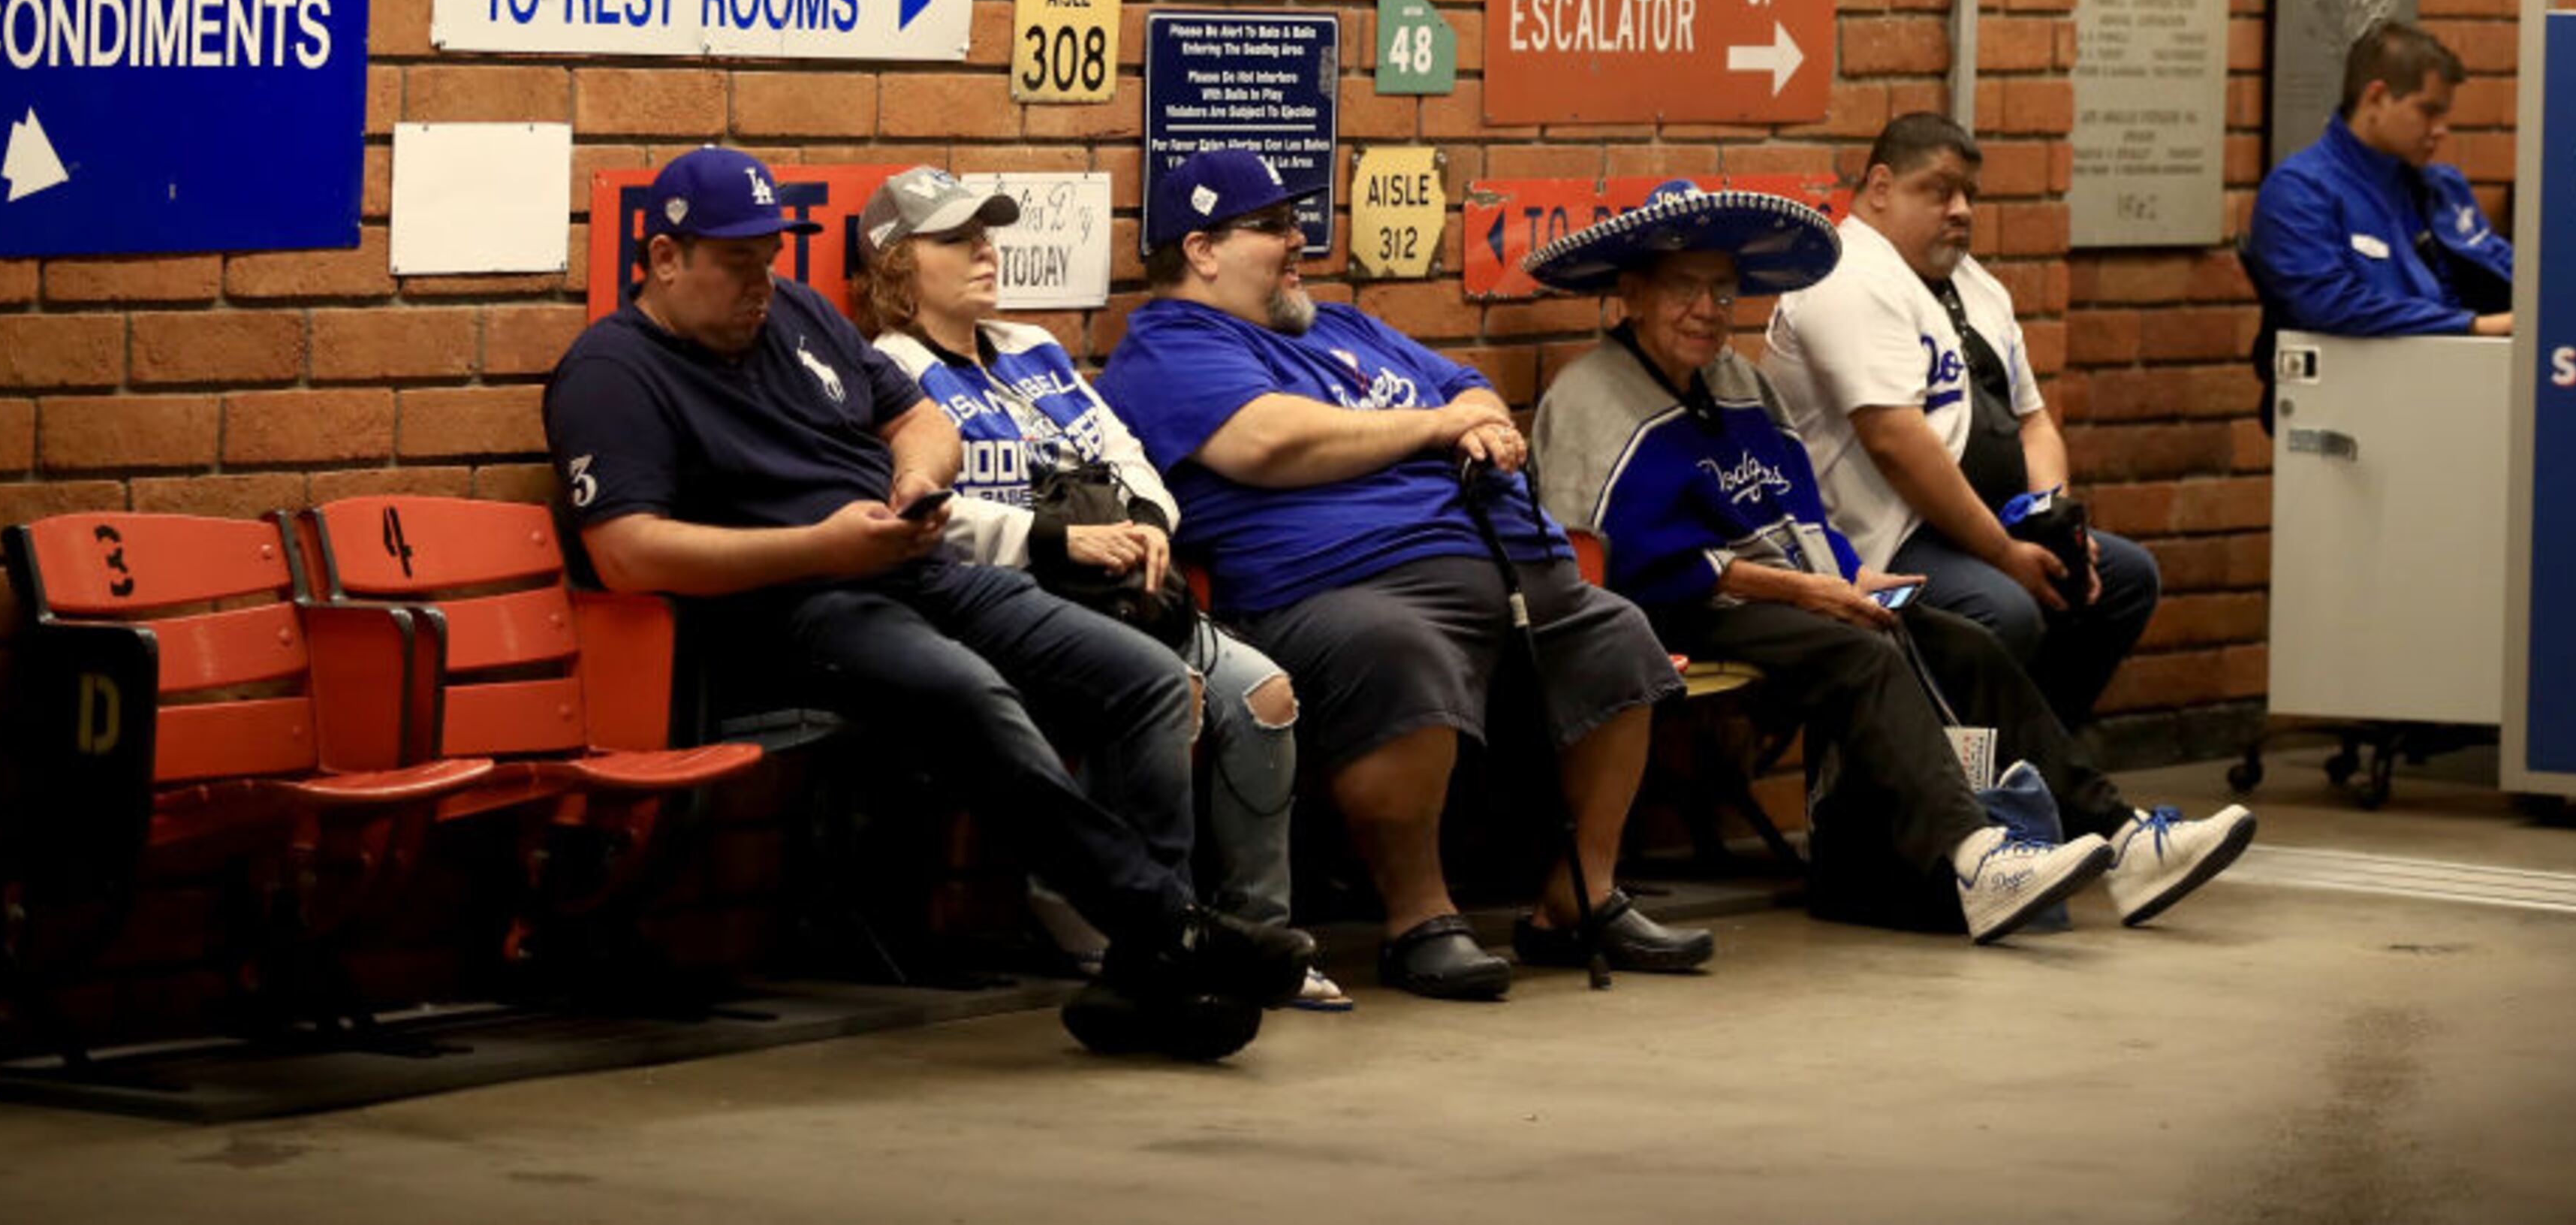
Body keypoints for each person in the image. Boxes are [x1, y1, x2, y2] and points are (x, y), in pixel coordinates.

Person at [542, 145, 1312, 1061]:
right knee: (973, 695)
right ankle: (1170, 928)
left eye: (769, 257)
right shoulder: (611, 370)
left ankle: (1146, 975)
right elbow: (627, 555)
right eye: (737, 263)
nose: (762, 282)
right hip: (789, 608)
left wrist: (915, 474)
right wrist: (823, 545)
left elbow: (919, 416)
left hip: (913, 564)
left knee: (1144, 677)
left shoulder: (794, 314)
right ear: (666, 259)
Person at [1528, 183, 2255, 938]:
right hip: (1676, 607)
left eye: (1722, 287)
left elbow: (1801, 510)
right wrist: (1806, 590)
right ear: (1631, 293)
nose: (1708, 308)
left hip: (1785, 593)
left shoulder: (1739, 382)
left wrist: (1847, 572)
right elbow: (1613, 557)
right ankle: (1974, 856)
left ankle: (2127, 837)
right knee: (1860, 650)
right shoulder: (1590, 395)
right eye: (1685, 287)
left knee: (1960, 640)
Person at [1097, 147, 1710, 1001]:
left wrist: (1482, 422)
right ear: (1200, 248)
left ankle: (1581, 896)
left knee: (1614, 632)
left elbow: (1466, 384)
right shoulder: (1170, 346)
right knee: (1396, 650)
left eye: (1296, 220)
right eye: (1273, 226)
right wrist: (1433, 427)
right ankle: (1419, 918)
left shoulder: (1341, 324)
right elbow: (1268, 441)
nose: (1299, 238)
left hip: (1507, 565)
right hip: (1332, 591)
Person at [855, 164, 1348, 1009]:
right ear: (898, 264)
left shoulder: (1031, 345)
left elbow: (1126, 454)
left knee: (1265, 692)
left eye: (988, 232)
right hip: (1011, 593)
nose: (984, 250)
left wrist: (1153, 522)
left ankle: (1256, 926)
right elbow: (927, 514)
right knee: (1177, 692)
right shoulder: (890, 373)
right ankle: (1149, 923)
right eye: (955, 238)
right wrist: (1061, 538)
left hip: (1123, 582)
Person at [1762, 114, 2159, 732]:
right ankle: (1976, 797)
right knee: (2002, 610)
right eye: (1940, 190)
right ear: (1882, 186)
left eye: (1970, 193)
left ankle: (2038, 767)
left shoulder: (1975, 285)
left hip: (1978, 525)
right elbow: (1896, 444)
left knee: (2124, 579)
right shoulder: (1844, 275)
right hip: (1881, 538)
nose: (1962, 209)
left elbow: (2034, 423)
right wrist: (2004, 553)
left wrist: (2052, 524)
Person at [2243, 20, 2514, 421]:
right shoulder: (2300, 192)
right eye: (2428, 111)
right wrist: (2473, 327)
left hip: (2456, 400)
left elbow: (2505, 268)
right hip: (2347, 415)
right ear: (2377, 98)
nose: (2441, 130)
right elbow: (2329, 305)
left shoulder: (2441, 189)